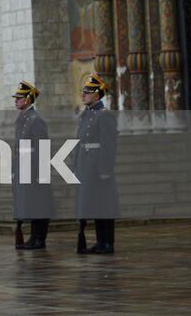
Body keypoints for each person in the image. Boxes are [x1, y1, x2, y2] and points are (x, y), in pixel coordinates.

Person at [74, 73, 118, 254]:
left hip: (97, 166)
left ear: (97, 95)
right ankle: (100, 241)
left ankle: (107, 242)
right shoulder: (86, 115)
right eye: (83, 92)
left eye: (87, 92)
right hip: (86, 164)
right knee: (95, 204)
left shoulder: (103, 115)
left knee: (104, 204)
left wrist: (105, 168)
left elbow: (108, 143)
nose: (83, 95)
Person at [12, 80, 53, 250]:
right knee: (30, 202)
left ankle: (39, 239)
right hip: (24, 167)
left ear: (28, 100)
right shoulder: (23, 119)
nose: (16, 101)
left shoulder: (35, 121)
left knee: (39, 203)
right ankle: (33, 237)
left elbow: (42, 147)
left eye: (19, 98)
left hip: (35, 168)